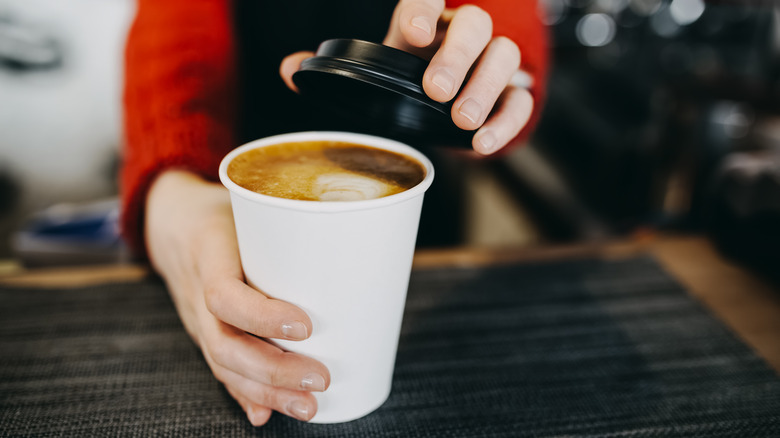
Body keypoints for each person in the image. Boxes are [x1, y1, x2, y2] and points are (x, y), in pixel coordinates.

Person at [121, 0, 549, 426]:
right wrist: (174, 191)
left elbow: (501, 20)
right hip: (238, 191)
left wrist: (487, 66)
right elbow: (175, 24)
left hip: (422, 232)